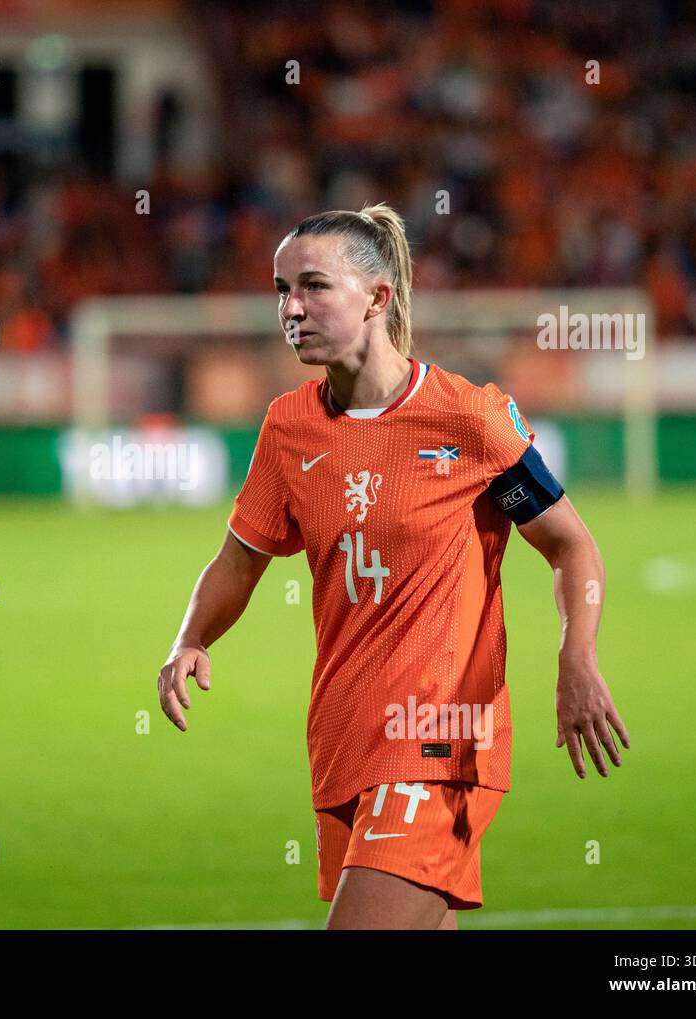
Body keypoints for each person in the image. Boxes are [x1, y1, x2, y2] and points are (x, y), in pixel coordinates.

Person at [156, 205, 630, 930]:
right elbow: (238, 560)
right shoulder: (289, 427)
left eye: (313, 286)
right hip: (346, 738)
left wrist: (577, 654)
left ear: (378, 298)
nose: (290, 308)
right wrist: (190, 639)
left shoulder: (469, 421)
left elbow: (571, 544)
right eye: (282, 289)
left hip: (441, 739)